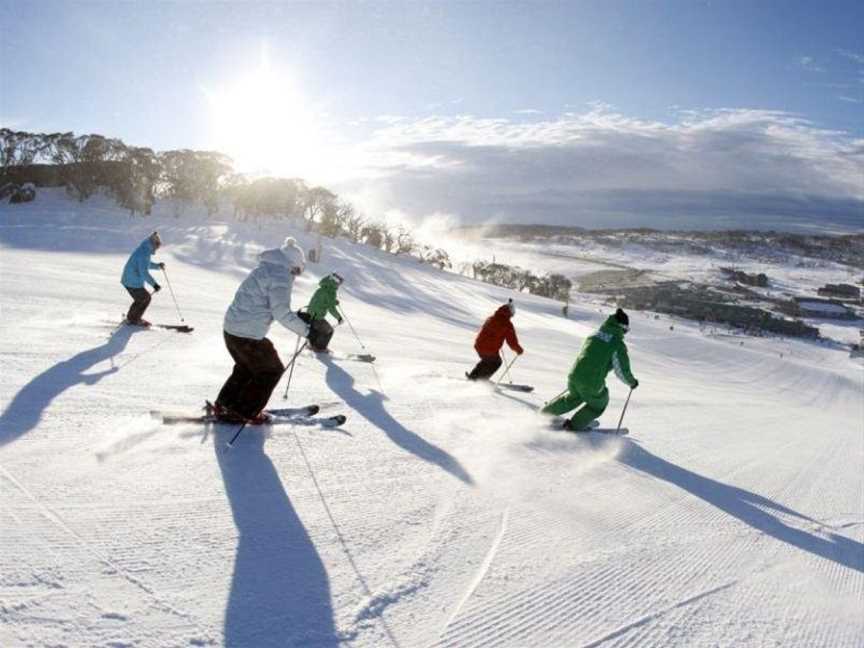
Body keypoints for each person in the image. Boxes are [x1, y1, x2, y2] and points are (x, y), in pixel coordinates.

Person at [213, 237, 311, 424]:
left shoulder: (265, 268)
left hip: (231, 329)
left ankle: (225, 404)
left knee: (246, 368)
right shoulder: (281, 274)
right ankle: (244, 411)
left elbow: (265, 304)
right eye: (297, 270)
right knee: (271, 370)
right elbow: (280, 311)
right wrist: (307, 331)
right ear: (293, 264)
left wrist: (297, 318)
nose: (295, 275)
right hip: (247, 334)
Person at [542, 308, 639, 431]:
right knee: (599, 403)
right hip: (592, 382)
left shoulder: (593, 335)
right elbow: (622, 371)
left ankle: (543, 414)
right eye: (626, 330)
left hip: (574, 375)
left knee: (573, 398)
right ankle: (574, 425)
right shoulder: (617, 344)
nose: (625, 333)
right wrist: (632, 382)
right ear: (622, 327)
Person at [466, 298, 524, 381]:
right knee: (497, 362)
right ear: (510, 313)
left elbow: (488, 331)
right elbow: (512, 342)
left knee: (487, 361)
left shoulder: (491, 318)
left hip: (478, 345)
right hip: (489, 348)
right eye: (513, 312)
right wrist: (519, 350)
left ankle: (473, 376)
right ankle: (482, 380)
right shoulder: (507, 324)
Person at [121, 231, 164, 326]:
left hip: (130, 279)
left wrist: (157, 266)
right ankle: (134, 319)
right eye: (157, 246)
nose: (157, 249)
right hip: (132, 281)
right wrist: (155, 285)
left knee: (141, 298)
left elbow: (145, 265)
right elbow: (144, 272)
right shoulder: (144, 253)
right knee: (145, 298)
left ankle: (132, 317)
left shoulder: (144, 249)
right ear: (153, 244)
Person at [299, 273, 344, 352]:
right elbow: (331, 309)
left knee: (318, 331)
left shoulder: (322, 288)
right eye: (338, 283)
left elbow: (323, 301)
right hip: (316, 317)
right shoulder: (330, 292)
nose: (339, 285)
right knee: (329, 331)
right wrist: (339, 318)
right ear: (334, 282)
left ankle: (312, 345)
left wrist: (334, 301)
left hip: (309, 315)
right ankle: (319, 348)